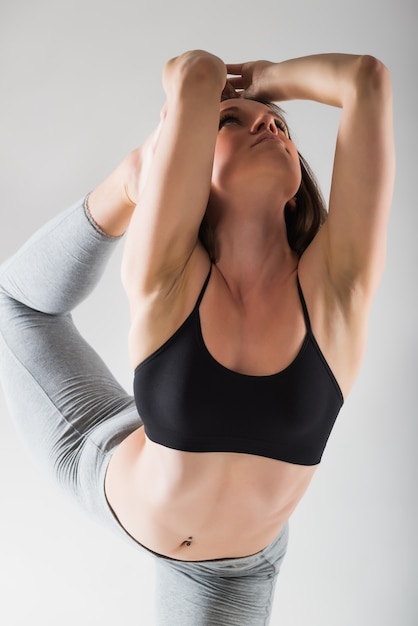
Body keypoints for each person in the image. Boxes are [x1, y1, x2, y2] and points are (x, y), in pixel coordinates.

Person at [0, 51, 394, 625]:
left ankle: (145, 173)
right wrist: (179, 131)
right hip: (100, 460)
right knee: (16, 304)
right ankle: (133, 177)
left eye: (280, 125)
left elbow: (366, 80)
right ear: (185, 164)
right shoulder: (167, 274)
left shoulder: (338, 290)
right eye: (232, 121)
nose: (269, 123)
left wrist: (261, 84)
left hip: (232, 573)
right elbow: (193, 72)